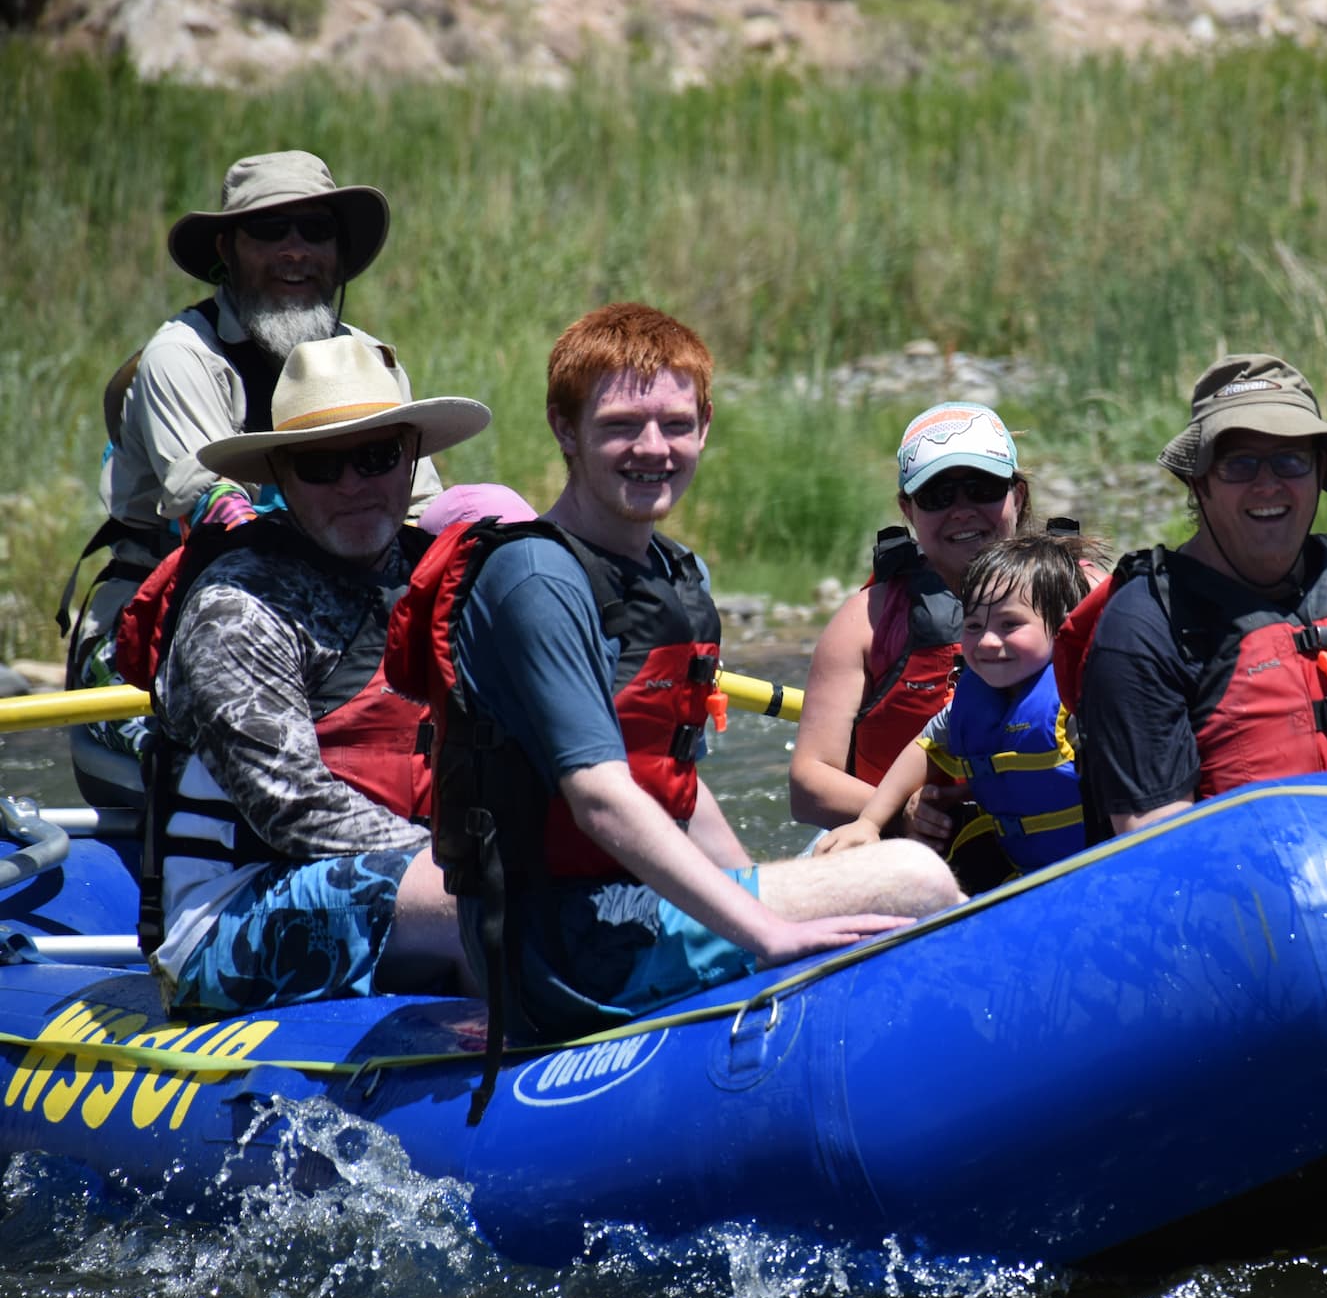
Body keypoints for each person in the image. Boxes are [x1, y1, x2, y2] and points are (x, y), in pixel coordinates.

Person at [388, 303, 965, 1045]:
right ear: (565, 428)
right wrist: (763, 928)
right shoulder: (534, 576)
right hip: (562, 945)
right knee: (911, 877)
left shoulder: (668, 575)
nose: (652, 447)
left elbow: (674, 785)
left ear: (706, 425)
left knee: (837, 863)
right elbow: (599, 799)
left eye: (676, 423)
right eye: (622, 423)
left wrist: (757, 881)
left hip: (627, 905)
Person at [62, 149, 442, 804]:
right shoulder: (181, 357)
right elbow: (216, 520)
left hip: (333, 633)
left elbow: (422, 515)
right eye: (270, 230)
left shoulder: (369, 363)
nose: (296, 250)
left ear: (339, 250)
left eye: (315, 230)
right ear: (226, 248)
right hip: (158, 638)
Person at [127, 336, 486, 1017]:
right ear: (282, 478)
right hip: (233, 917)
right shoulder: (234, 609)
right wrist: (479, 872)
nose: (352, 483)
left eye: (376, 456)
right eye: (320, 464)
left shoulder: (452, 580)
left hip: (420, 879)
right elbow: (294, 810)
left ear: (412, 458)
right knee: (484, 901)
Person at [1067, 353, 1327, 838]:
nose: (1267, 484)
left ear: (1319, 471)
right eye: (1239, 464)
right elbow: (1154, 832)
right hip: (1255, 896)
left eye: (1290, 460)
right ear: (1198, 481)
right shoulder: (1145, 625)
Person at [789, 400, 1034, 842]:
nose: (962, 510)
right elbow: (808, 784)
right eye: (938, 496)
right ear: (908, 510)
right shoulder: (867, 621)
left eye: (982, 488)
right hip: (902, 847)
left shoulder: (1078, 590)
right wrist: (900, 809)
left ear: (1016, 496)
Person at [814, 528, 1104, 883]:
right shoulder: (970, 703)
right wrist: (869, 822)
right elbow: (924, 746)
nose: (987, 641)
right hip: (1023, 873)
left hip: (1096, 865)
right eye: (973, 625)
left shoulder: (1077, 700)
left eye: (1010, 624)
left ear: (1062, 625)